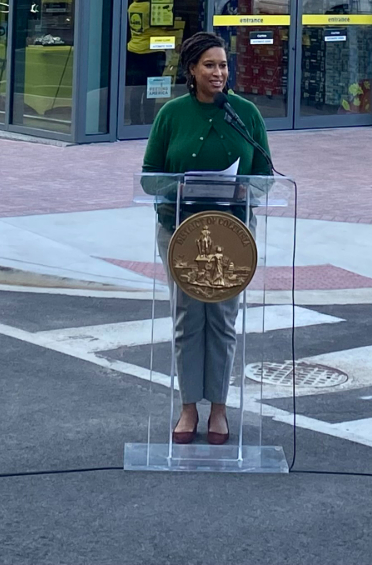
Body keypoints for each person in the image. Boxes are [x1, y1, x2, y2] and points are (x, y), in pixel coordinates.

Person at [140, 31, 273, 447]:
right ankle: (188, 407)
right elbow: (149, 178)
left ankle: (219, 407)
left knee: (222, 320)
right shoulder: (172, 115)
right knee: (187, 318)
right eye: (210, 66)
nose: (219, 73)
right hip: (179, 231)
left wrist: (242, 189)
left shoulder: (245, 113)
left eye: (223, 66)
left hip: (231, 233)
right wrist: (177, 187)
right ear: (192, 71)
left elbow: (265, 178)